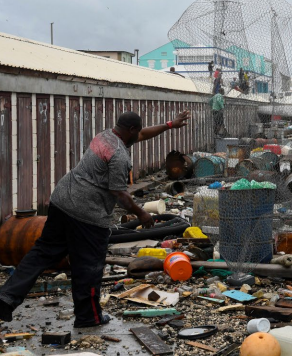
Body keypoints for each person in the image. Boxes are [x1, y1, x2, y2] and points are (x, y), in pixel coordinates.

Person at [0, 110, 190, 327]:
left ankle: (7, 296)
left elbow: (143, 134)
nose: (140, 134)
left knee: (42, 252)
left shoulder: (105, 136)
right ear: (131, 130)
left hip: (61, 200)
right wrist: (142, 214)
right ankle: (88, 317)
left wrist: (169, 124)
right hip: (86, 214)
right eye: (137, 130)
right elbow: (119, 194)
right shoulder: (118, 156)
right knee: (88, 266)